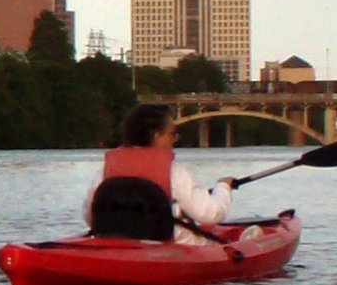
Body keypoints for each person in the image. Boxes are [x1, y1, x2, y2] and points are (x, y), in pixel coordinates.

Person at [85, 104, 236, 244]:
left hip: (118, 250)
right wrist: (223, 187)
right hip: (173, 250)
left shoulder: (106, 170)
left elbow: (90, 217)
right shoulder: (174, 172)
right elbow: (209, 214)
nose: (174, 140)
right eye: (172, 134)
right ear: (157, 136)